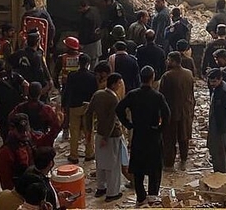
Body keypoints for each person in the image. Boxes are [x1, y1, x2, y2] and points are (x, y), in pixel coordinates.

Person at [116, 66, 171, 206]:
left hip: (138, 134)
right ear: (153, 77)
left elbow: (119, 109)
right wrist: (160, 128)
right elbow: (167, 114)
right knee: (154, 169)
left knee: (138, 168)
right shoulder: (157, 96)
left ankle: (140, 197)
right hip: (153, 135)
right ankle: (152, 197)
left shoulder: (133, 94)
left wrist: (128, 124)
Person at [85, 73, 126, 201]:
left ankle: (101, 187)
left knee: (101, 163)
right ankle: (112, 193)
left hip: (99, 132)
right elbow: (112, 120)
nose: (120, 85)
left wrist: (88, 131)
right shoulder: (113, 98)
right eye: (119, 83)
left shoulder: (98, 94)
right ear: (113, 84)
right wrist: (106, 137)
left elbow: (88, 113)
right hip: (112, 135)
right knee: (113, 165)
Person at [159, 51, 195, 171]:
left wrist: (160, 113)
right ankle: (183, 160)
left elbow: (162, 96)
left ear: (174, 61)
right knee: (184, 137)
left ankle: (169, 164)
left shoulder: (167, 76)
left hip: (172, 112)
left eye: (169, 60)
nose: (167, 62)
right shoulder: (188, 73)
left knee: (169, 138)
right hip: (186, 110)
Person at [63, 54, 98, 164]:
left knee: (74, 132)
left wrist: (64, 105)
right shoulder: (92, 76)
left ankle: (74, 155)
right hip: (88, 107)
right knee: (89, 131)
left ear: (78, 63)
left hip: (74, 106)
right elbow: (95, 93)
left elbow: (67, 91)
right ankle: (89, 153)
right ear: (88, 64)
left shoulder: (72, 76)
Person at [10, 82, 61, 148]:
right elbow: (56, 126)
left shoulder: (20, 108)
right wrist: (48, 139)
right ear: (40, 93)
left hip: (24, 142)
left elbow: (10, 120)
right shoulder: (46, 109)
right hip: (40, 143)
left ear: (28, 92)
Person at [0, 60, 30, 141]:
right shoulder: (14, 74)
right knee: (19, 127)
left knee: (5, 131)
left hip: (4, 110)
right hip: (17, 107)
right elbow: (26, 84)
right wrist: (25, 96)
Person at [207, 68, 226, 173]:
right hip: (216, 122)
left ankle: (222, 172)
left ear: (220, 79)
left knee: (221, 150)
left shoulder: (223, 92)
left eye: (214, 81)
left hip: (221, 125)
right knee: (217, 149)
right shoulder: (217, 88)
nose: (212, 84)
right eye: (210, 81)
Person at [0, 113, 36, 190]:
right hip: (18, 191)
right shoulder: (6, 152)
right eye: (20, 131)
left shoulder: (29, 143)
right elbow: (6, 183)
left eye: (26, 130)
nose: (24, 134)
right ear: (12, 129)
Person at [9, 30, 52, 98]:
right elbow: (40, 73)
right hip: (33, 88)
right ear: (37, 42)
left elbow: (10, 63)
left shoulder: (19, 53)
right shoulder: (37, 56)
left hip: (20, 86)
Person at [78, 0, 102, 66]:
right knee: (96, 60)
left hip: (90, 43)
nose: (79, 11)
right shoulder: (95, 10)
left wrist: (81, 43)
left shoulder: (87, 18)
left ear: (85, 7)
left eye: (80, 8)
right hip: (97, 39)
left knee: (88, 61)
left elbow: (85, 32)